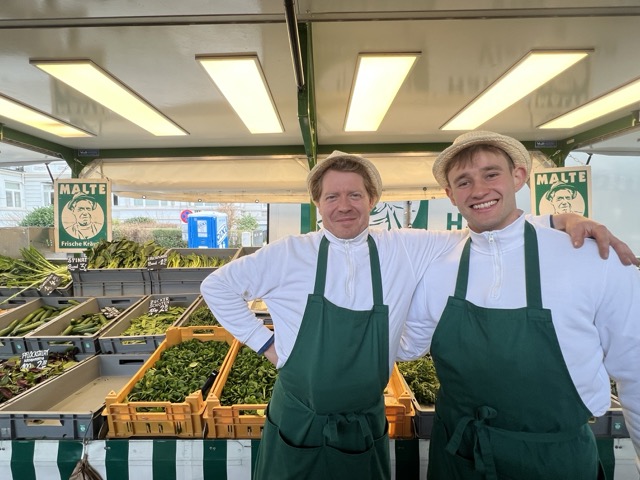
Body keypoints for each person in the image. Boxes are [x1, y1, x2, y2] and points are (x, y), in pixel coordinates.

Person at [200, 150, 636, 480]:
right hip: (299, 416)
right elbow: (216, 287)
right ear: (318, 202)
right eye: (332, 196)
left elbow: (489, 228)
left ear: (373, 199)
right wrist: (267, 345)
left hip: (365, 419)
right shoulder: (288, 254)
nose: (344, 205)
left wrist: (560, 220)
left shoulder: (407, 247)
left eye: (356, 194)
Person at [406, 131, 640, 479]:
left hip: (554, 461)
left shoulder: (592, 257)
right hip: (460, 458)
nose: (479, 190)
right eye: (464, 181)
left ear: (519, 176)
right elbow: (408, 344)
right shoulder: (438, 265)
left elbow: (634, 368)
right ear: (450, 195)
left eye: (491, 174)